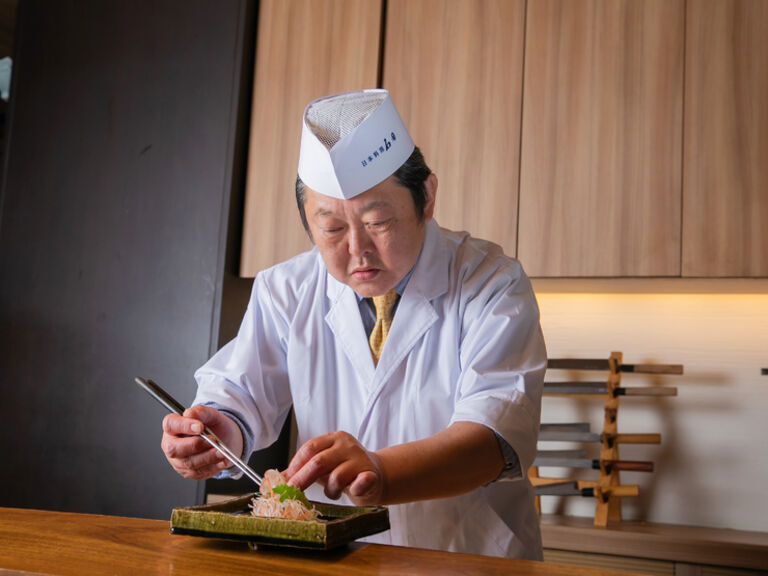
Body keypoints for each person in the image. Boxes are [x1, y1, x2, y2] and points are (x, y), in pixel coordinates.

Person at [160, 89, 547, 559]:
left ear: (426, 197)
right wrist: (218, 433)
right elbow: (240, 395)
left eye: (379, 221)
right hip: (332, 562)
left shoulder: (491, 283)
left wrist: (380, 472)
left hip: (466, 558)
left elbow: (493, 439)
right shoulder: (285, 289)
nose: (358, 251)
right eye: (333, 229)